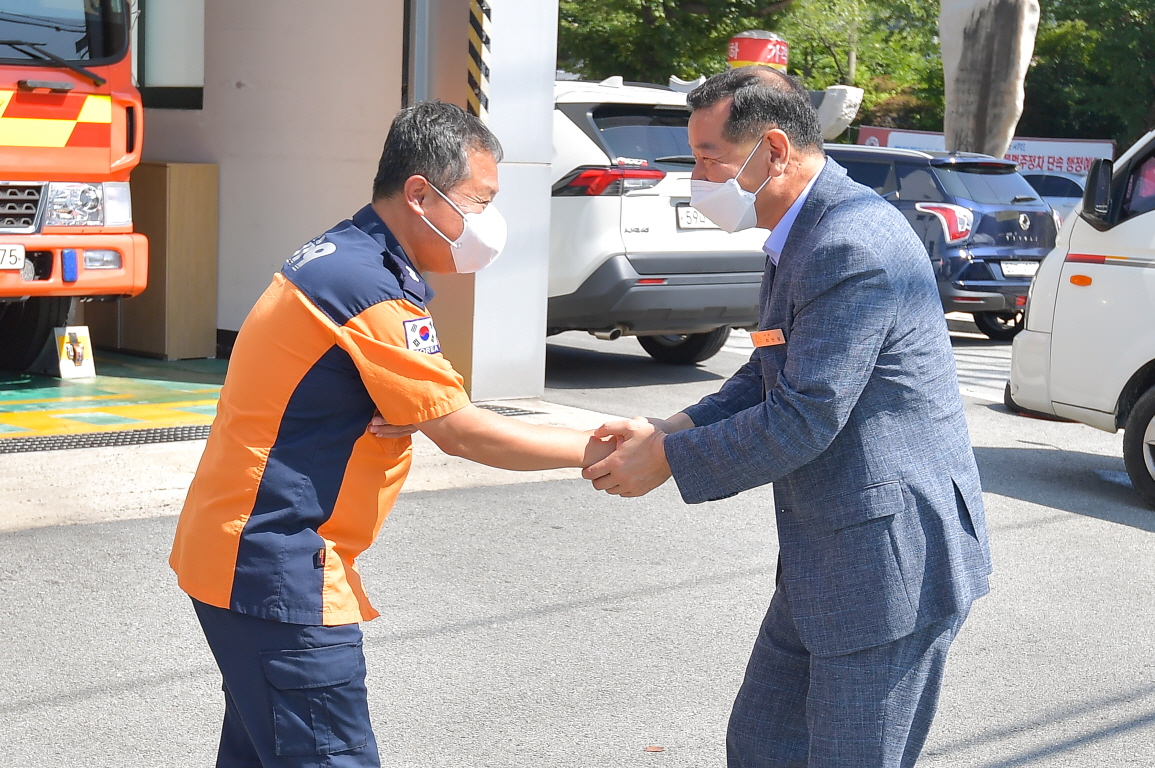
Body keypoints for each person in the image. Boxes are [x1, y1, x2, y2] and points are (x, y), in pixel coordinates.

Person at [169, 101, 614, 768]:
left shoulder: (344, 255)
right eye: (479, 201)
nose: (487, 221)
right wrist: (605, 450)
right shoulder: (368, 288)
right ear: (420, 194)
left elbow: (367, 392)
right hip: (279, 568)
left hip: (243, 555)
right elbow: (465, 433)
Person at [583, 66, 992, 767]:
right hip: (827, 555)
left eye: (708, 159)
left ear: (772, 149)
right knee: (762, 742)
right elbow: (768, 368)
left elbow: (806, 414)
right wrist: (670, 429)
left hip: (888, 564)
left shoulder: (849, 242)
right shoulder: (799, 232)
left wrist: (667, 461)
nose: (695, 179)